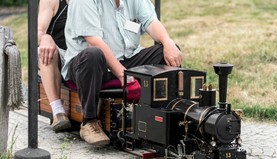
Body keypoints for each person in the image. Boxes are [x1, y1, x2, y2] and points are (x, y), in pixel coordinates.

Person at [61, 0, 183, 146]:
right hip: (91, 66)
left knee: (165, 53)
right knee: (93, 54)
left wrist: (168, 42)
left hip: (127, 59)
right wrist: (125, 77)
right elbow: (94, 41)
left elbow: (151, 21)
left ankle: (168, 115)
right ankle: (89, 121)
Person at [38, 0, 71, 132]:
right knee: (46, 50)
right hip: (59, 53)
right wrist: (45, 37)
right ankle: (58, 112)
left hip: (81, 54)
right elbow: (38, 30)